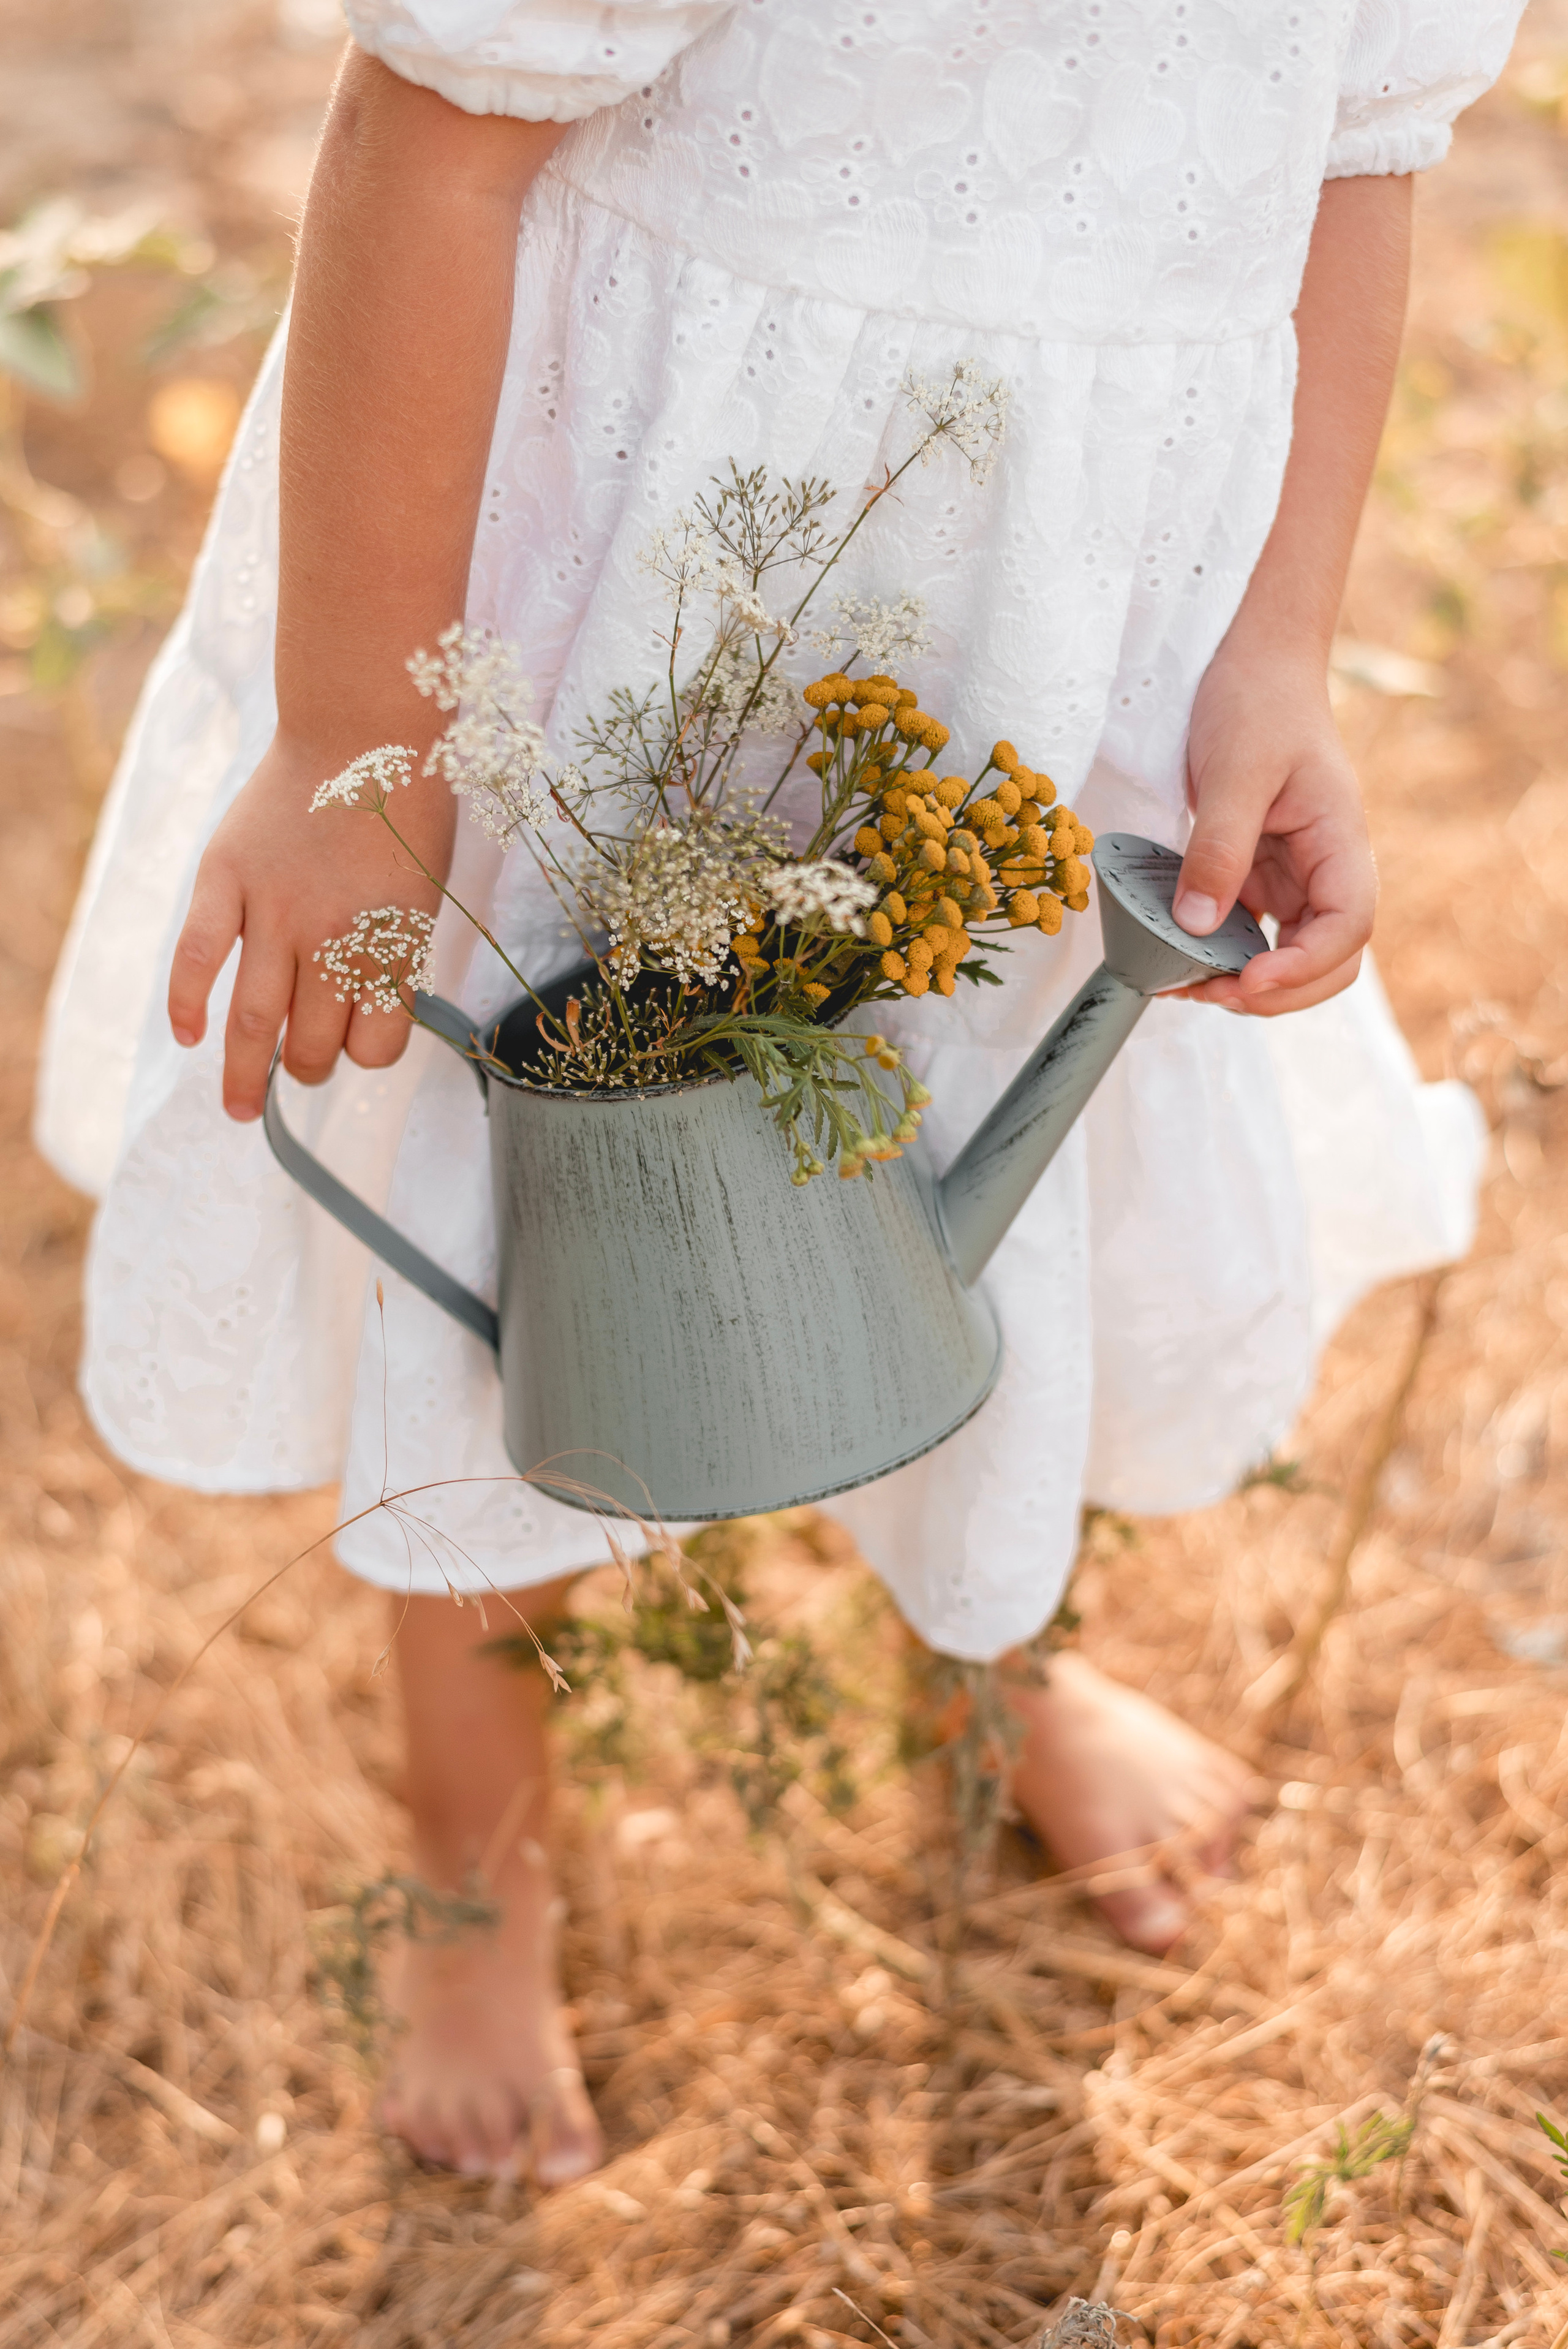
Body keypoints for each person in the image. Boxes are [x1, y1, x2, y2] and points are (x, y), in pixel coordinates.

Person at [38, 0, 1520, 2185]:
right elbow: (438, 136)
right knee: (528, 1212)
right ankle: (480, 1865)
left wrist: (1281, 647)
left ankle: (982, 1663)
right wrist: (364, 739)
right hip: (629, 579)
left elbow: (1355, 165)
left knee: (1015, 1163)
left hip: (1071, 631)